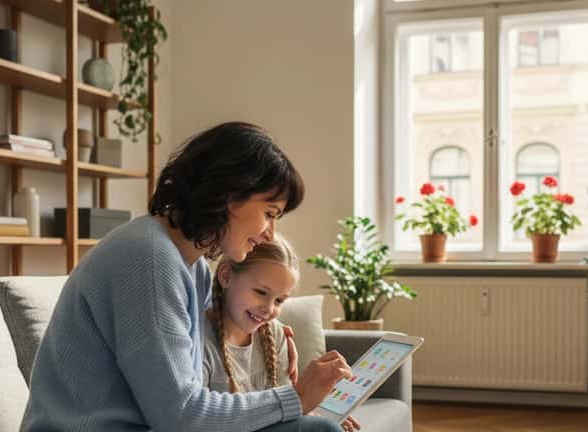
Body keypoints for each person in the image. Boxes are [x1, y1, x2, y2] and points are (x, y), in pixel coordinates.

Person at [21, 122, 352, 432]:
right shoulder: (148, 258)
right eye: (269, 214)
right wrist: (296, 397)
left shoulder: (191, 269)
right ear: (230, 192)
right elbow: (181, 416)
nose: (269, 234)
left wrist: (271, 348)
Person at [203, 233, 361, 432]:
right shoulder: (201, 341)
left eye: (279, 301)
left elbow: (285, 407)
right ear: (226, 276)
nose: (269, 309)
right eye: (261, 292)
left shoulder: (274, 332)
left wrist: (310, 410)